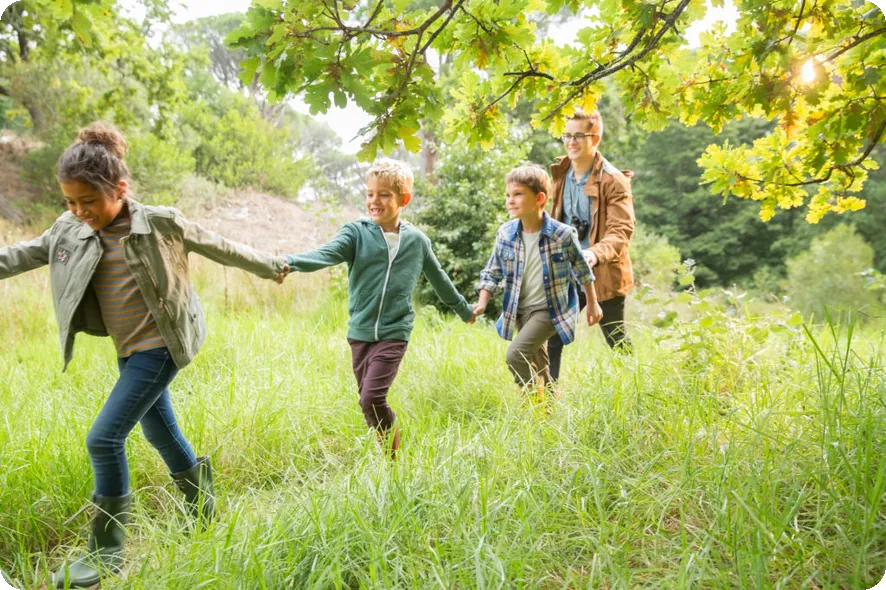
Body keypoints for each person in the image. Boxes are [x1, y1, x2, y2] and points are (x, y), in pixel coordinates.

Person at [0, 122, 289, 588]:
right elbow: (21, 254)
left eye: (88, 201)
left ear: (120, 189)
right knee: (161, 432)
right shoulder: (68, 228)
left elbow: (217, 245)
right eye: (70, 202)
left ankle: (106, 554)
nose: (79, 211)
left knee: (103, 439)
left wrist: (271, 265)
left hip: (161, 346)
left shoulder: (157, 222)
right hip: (128, 350)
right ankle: (204, 512)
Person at [284, 158, 474, 458]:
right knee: (367, 401)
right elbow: (326, 254)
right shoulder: (355, 233)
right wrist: (290, 263)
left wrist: (465, 310)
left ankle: (394, 461)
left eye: (384, 194)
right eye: (370, 194)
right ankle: (390, 457)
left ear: (404, 199)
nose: (375, 201)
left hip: (394, 331)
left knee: (371, 397)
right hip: (360, 332)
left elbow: (440, 280)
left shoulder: (417, 241)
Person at [472, 163, 602, 402]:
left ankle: (534, 402)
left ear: (540, 198)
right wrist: (481, 303)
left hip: (550, 309)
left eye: (518, 194)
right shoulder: (506, 233)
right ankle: (549, 408)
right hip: (520, 309)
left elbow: (583, 270)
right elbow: (492, 271)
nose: (510, 201)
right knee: (539, 362)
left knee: (515, 354)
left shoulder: (562, 235)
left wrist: (593, 304)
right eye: (508, 195)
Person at [547, 108, 636, 382]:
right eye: (567, 136)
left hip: (604, 272)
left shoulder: (614, 180)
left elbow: (621, 231)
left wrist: (593, 254)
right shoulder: (561, 173)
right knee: (552, 334)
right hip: (567, 271)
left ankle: (638, 386)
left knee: (615, 337)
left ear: (594, 139)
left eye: (578, 136)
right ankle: (546, 399)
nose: (571, 142)